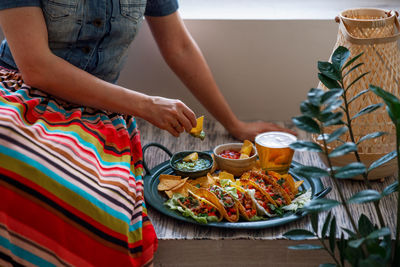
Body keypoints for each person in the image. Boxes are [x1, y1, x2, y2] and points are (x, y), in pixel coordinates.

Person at [0, 0, 295, 266]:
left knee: (103, 210)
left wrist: (236, 125)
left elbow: (178, 46)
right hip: (17, 95)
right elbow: (37, 68)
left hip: (94, 116)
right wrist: (146, 105)